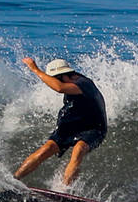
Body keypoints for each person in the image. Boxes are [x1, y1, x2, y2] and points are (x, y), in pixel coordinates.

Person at [14, 57, 107, 187]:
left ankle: (64, 191)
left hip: (93, 128)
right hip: (70, 125)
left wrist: (35, 69)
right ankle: (14, 180)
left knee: (78, 149)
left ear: (64, 76)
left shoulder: (84, 84)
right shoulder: (71, 81)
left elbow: (59, 87)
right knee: (46, 149)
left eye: (55, 78)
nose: (52, 82)